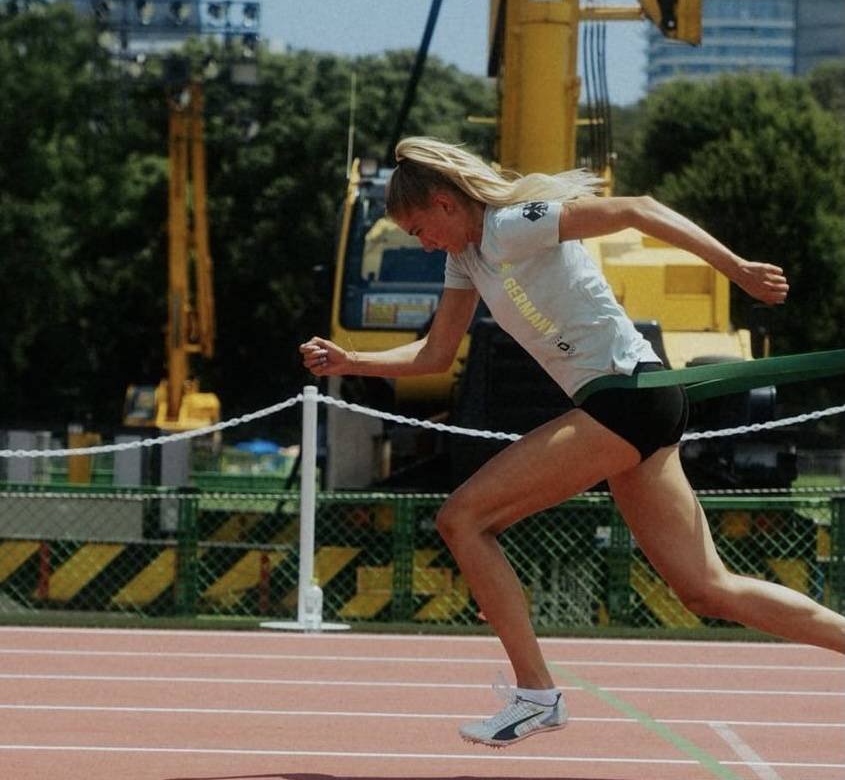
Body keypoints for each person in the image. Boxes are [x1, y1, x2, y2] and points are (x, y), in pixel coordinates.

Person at [299, 136, 845, 748]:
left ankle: (536, 694)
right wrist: (353, 359)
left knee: (463, 519)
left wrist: (736, 269)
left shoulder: (511, 225)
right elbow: (435, 354)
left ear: (447, 203)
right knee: (706, 589)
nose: (424, 244)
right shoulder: (466, 261)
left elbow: (636, 207)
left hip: (629, 394)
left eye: (422, 228)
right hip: (627, 405)